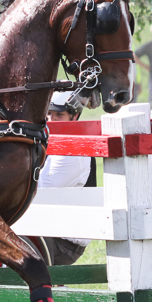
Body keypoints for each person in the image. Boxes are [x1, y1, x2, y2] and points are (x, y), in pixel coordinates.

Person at [37, 90, 95, 265]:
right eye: (48, 114)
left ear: (74, 116)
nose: (51, 120)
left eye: (59, 115)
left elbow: (41, 191)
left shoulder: (72, 151)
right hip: (46, 228)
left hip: (63, 243)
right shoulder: (50, 141)